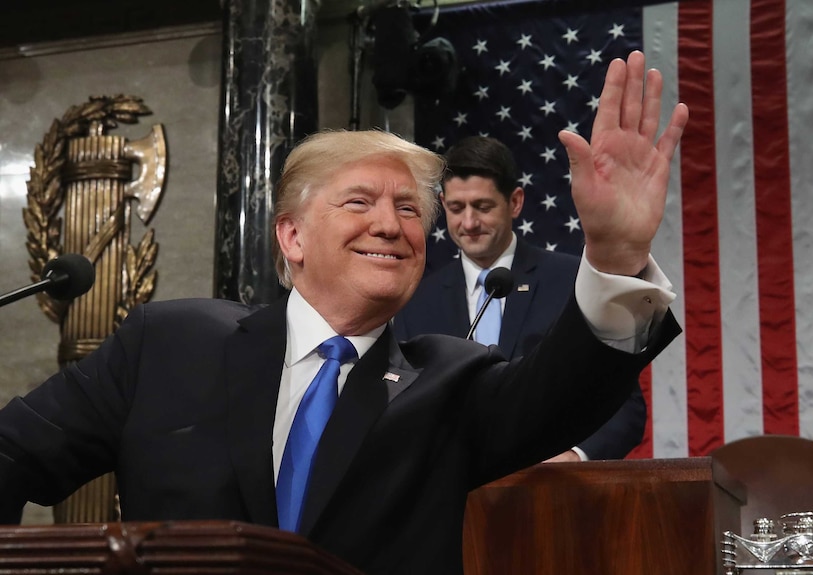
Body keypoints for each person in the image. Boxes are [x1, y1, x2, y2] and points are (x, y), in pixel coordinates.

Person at [0, 51, 688, 575]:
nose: (390, 225)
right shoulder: (168, 345)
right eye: (359, 202)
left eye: (410, 209)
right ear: (291, 236)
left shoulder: (451, 383)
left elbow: (572, 387)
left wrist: (618, 253)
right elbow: (13, 453)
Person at [393, 135, 646, 461]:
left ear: (515, 202)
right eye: (456, 208)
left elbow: (624, 403)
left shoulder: (573, 282)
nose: (468, 223)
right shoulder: (416, 300)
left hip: (556, 490)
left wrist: (575, 455)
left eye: (483, 207)